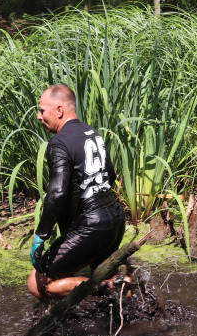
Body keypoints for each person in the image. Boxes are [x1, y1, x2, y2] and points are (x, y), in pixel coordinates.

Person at [27, 84, 126, 299]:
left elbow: (57, 191)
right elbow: (110, 174)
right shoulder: (92, 132)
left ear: (59, 111)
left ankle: (112, 288)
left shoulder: (59, 143)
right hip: (116, 220)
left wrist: (41, 234)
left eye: (42, 110)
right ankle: (118, 288)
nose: (38, 116)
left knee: (38, 282)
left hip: (93, 227)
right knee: (102, 271)